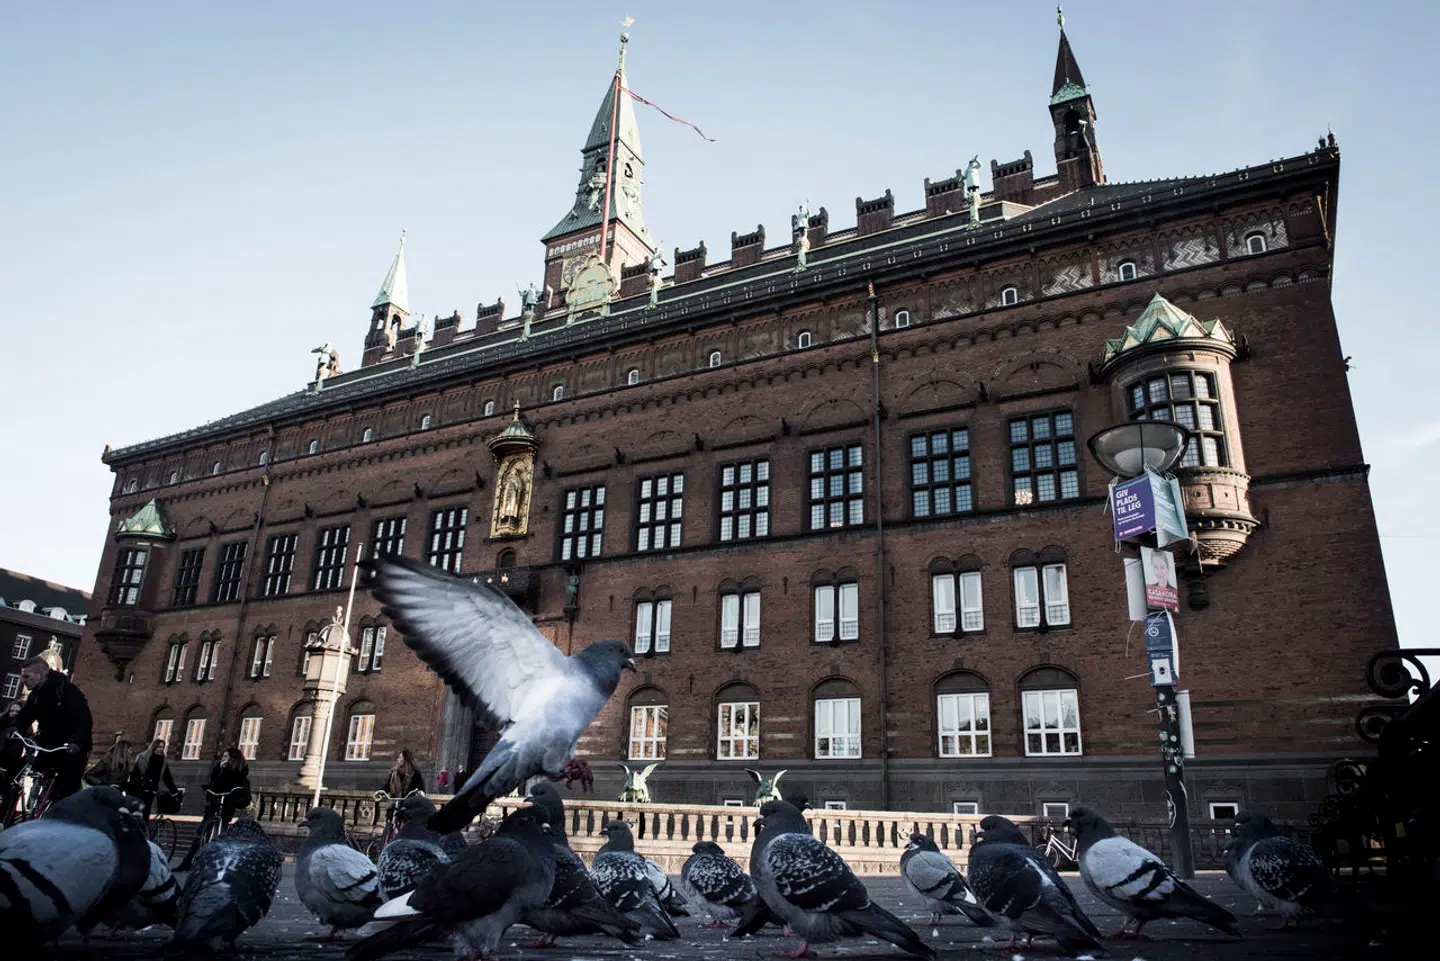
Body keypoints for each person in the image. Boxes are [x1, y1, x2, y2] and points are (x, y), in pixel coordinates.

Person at [6, 655, 92, 802]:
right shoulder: (36, 695)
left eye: (27, 676)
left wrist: (76, 742)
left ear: (40, 675)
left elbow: (84, 722)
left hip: (70, 747)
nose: (23, 680)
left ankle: (57, 812)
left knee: (64, 790)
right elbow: (26, 715)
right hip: (48, 743)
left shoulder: (67, 691)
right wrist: (15, 727)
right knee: (17, 773)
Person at [177, 747, 252, 870]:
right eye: (223, 756)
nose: (223, 758)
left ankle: (221, 863)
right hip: (214, 802)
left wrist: (229, 776)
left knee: (223, 831)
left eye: (226, 757)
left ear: (233, 758)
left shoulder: (240, 769)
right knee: (201, 832)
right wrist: (219, 769)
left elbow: (237, 783)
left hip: (227, 802)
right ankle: (188, 861)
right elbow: (214, 780)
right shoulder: (220, 767)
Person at [125, 737, 178, 819]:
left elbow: (167, 777)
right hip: (139, 789)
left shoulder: (163, 761)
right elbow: (134, 774)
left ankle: (144, 829)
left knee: (146, 812)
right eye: (159, 747)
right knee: (137, 811)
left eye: (163, 747)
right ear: (154, 747)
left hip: (151, 791)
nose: (161, 749)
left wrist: (174, 791)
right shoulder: (143, 758)